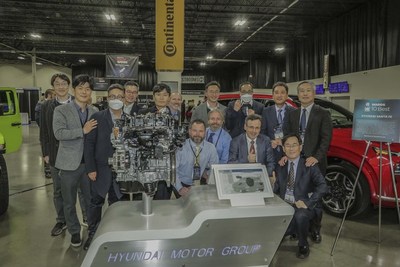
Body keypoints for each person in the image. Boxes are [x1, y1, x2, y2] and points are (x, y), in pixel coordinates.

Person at [283, 80, 333, 243]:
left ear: (314, 93)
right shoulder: (292, 114)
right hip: (295, 163)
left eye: (308, 91)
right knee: (298, 196)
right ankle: (299, 227)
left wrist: (316, 157)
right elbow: (287, 136)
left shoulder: (323, 112)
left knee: (315, 200)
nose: (304, 94)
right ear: (298, 95)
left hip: (315, 163)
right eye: (301, 91)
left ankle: (315, 229)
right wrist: (288, 153)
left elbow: (326, 139)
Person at [52, 74, 98, 247]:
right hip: (69, 164)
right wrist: (82, 130)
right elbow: (59, 133)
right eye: (80, 88)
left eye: (87, 88)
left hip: (88, 165)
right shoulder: (61, 110)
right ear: (74, 90)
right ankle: (74, 232)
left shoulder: (94, 111)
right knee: (69, 202)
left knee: (90, 201)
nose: (84, 91)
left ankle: (92, 230)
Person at [40, 73, 87, 237]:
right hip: (55, 153)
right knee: (60, 191)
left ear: (69, 86)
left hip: (78, 155)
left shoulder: (81, 102)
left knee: (82, 190)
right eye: (57, 84)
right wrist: (45, 152)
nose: (60, 87)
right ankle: (61, 220)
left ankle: (86, 218)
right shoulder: (47, 106)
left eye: (63, 83)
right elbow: (44, 131)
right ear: (53, 87)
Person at [83, 83, 125, 250]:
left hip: (120, 170)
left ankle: (114, 233)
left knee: (117, 204)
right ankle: (93, 234)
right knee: (95, 202)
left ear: (124, 99)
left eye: (119, 97)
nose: (116, 99)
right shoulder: (97, 117)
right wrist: (90, 168)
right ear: (108, 98)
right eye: (113, 96)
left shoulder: (128, 119)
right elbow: (89, 144)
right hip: (100, 170)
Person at [274, 134, 328, 259]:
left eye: (294, 145)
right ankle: (292, 231)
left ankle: (303, 244)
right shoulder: (281, 165)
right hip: (286, 203)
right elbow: (276, 188)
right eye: (287, 145)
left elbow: (323, 186)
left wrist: (308, 202)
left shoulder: (309, 165)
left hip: (303, 205)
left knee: (300, 215)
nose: (291, 148)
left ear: (301, 147)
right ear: (283, 148)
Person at [138, 83, 173, 199]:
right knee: (143, 198)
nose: (161, 97)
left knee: (162, 198)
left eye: (165, 95)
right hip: (146, 161)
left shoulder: (174, 116)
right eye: (158, 94)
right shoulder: (143, 114)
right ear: (153, 97)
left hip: (164, 162)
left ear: (169, 97)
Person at [175, 119, 219, 197]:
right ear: (189, 131)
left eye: (201, 131)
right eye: (195, 130)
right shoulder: (180, 147)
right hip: (182, 183)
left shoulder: (211, 148)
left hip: (200, 184)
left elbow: (214, 168)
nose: (197, 134)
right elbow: (173, 171)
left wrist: (208, 178)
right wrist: (180, 188)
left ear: (205, 132)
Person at [261, 82, 296, 163]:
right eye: (276, 93)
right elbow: (262, 132)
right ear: (272, 95)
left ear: (287, 95)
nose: (279, 95)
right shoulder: (266, 111)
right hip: (271, 153)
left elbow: (296, 133)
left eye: (282, 92)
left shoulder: (294, 112)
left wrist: (284, 142)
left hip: (289, 154)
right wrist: (270, 141)